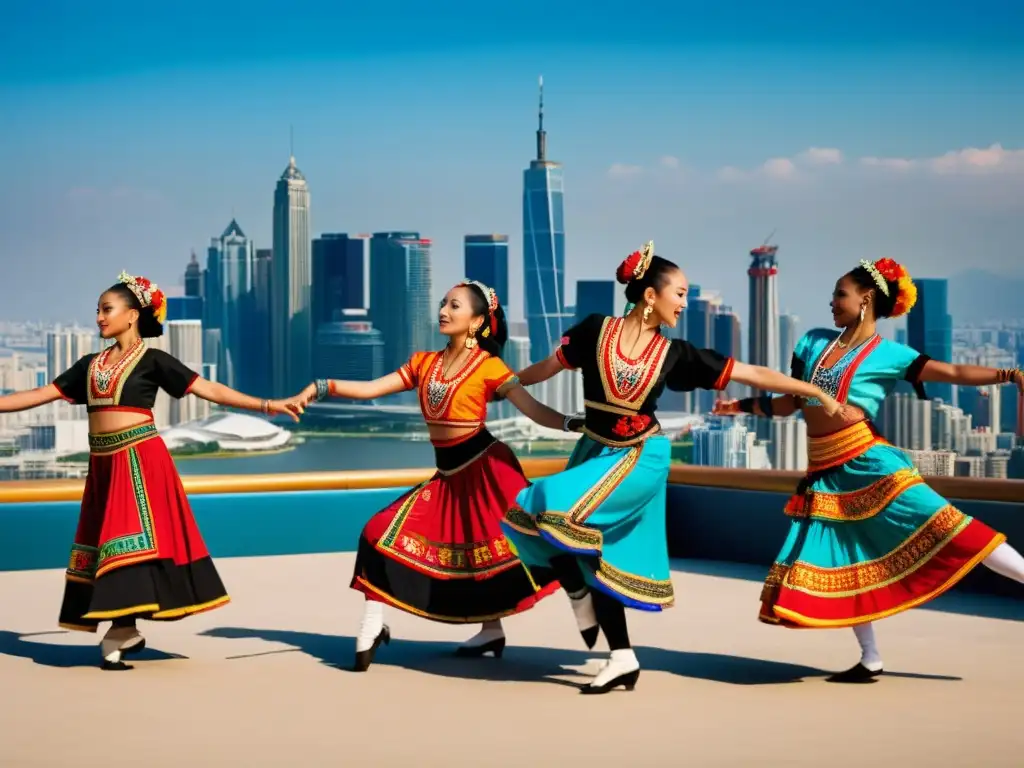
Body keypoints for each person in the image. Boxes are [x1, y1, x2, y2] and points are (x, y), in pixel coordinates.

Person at [500, 242, 846, 694]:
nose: (685, 302)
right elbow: (545, 368)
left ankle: (581, 597)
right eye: (679, 293)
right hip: (594, 453)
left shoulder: (674, 354)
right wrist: (502, 382)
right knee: (553, 531)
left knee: (546, 504)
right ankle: (620, 653)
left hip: (641, 456)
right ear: (650, 295)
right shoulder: (592, 332)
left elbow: (752, 374)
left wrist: (814, 392)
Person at [714, 257, 1024, 682]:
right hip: (825, 471)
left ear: (866, 300)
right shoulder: (811, 343)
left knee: (951, 525)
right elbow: (790, 402)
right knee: (847, 562)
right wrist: (741, 407)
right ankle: (870, 657)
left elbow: (951, 371)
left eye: (840, 294)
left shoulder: (890, 354)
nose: (832, 302)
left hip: (868, 462)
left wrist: (1008, 374)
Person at [0, 272, 302, 670]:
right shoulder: (89, 365)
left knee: (123, 541)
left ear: (132, 315)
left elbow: (209, 390)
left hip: (139, 460)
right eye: (97, 310)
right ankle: (124, 628)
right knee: (108, 541)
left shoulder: (153, 360)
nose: (99, 318)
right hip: (104, 465)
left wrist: (268, 405)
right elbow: (39, 395)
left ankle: (121, 627)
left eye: (106, 309)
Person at [293, 281, 578, 671]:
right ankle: (377, 625)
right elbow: (374, 388)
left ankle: (585, 616)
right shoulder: (423, 362)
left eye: (454, 305)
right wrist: (323, 386)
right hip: (448, 477)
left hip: (488, 472)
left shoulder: (489, 367)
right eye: (443, 303)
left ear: (477, 321)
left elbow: (532, 410)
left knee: (519, 549)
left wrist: (572, 422)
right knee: (378, 534)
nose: (443, 310)